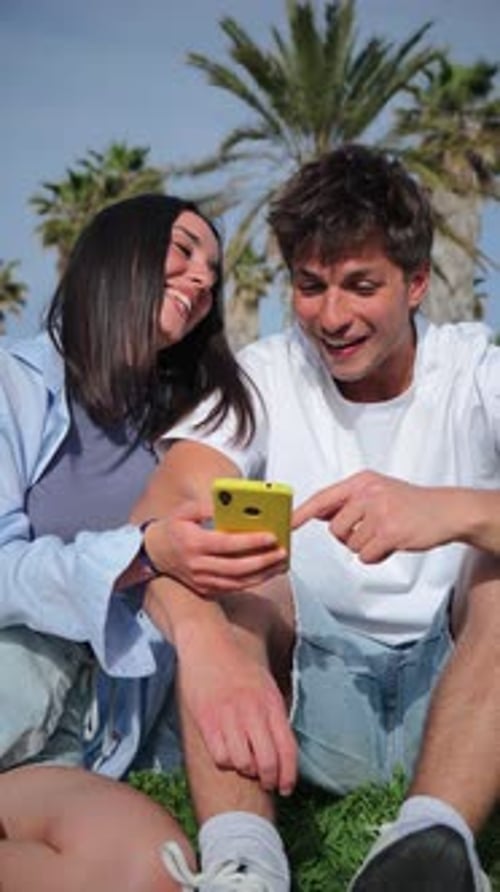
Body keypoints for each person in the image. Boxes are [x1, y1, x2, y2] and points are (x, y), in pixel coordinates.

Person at [136, 144, 500, 891]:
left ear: (418, 284)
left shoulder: (474, 369)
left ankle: (431, 842)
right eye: (310, 286)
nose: (331, 317)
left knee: (494, 565)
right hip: (304, 703)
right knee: (226, 557)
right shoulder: (268, 374)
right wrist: (203, 637)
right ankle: (243, 863)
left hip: (465, 696)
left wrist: (450, 512)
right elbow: (156, 517)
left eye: (360, 285)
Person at [0, 192, 288, 891]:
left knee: (143, 870)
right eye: (183, 252)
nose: (202, 279)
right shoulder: (15, 380)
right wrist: (143, 553)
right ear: (117, 252)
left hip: (90, 731)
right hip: (15, 680)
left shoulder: (197, 420)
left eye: (213, 273)